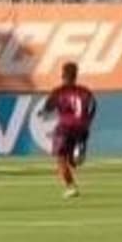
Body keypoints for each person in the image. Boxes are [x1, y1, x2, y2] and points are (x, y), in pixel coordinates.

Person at [42, 62, 97, 199]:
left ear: (63, 75)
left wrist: (43, 112)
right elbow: (92, 106)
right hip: (82, 127)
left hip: (65, 127)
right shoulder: (85, 91)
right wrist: (87, 122)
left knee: (61, 158)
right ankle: (78, 149)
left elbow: (48, 108)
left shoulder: (58, 91)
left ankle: (71, 187)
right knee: (72, 159)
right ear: (75, 75)